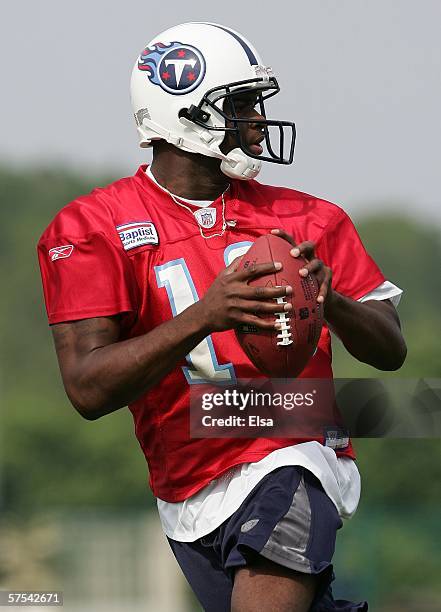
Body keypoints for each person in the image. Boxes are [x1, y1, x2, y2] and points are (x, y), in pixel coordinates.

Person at [37, 22, 406, 612]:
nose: (258, 121)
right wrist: (204, 316)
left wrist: (331, 300)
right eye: (240, 106)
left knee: (292, 464)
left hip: (296, 444)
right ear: (182, 113)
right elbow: (86, 388)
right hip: (190, 476)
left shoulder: (312, 218)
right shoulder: (91, 228)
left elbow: (392, 349)